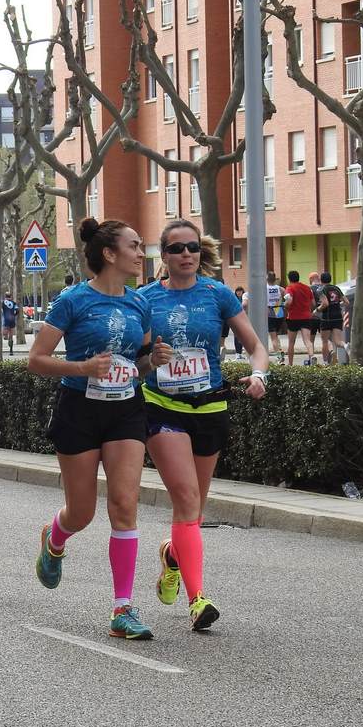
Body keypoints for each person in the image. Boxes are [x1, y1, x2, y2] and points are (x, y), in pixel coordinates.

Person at [28, 217, 172, 640]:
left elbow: (141, 363)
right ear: (109, 254)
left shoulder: (139, 303)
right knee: (82, 511)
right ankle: (55, 538)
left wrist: (153, 361)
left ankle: (122, 608)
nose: (140, 253)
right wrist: (83, 367)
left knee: (125, 503)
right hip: (79, 409)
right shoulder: (72, 301)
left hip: (126, 409)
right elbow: (36, 360)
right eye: (133, 245)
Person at [139, 220, 269, 631]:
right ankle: (198, 601)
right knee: (186, 497)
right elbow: (134, 359)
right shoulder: (143, 300)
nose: (186, 255)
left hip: (210, 407)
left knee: (191, 510)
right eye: (177, 249)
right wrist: (150, 362)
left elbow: (255, 347)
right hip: (162, 407)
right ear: (164, 256)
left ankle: (172, 555)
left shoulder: (218, 294)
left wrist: (259, 375)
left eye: (192, 247)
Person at [283, 270, 315, 365]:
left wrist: (285, 306)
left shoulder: (289, 288)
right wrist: (309, 310)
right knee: (307, 341)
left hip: (293, 317)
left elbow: (289, 301)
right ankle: (312, 356)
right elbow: (313, 303)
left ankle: (290, 364)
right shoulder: (307, 288)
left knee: (291, 342)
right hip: (306, 317)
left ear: (289, 279)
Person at [317, 271, 348, 365]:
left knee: (325, 341)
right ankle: (346, 346)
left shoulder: (321, 290)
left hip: (327, 318)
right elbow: (346, 302)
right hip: (338, 316)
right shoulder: (336, 288)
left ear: (321, 280)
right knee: (338, 341)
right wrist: (337, 304)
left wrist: (317, 310)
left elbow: (325, 303)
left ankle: (326, 362)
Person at [265, 271, 286, 360]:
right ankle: (280, 350)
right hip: (279, 312)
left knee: (273, 337)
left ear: (266, 278)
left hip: (269, 312)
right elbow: (288, 299)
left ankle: (279, 356)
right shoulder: (281, 289)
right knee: (276, 335)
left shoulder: (264, 288)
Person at [1, 291, 20, 356]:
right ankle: (11, 350)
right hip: (12, 319)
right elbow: (17, 310)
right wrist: (14, 315)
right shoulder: (14, 303)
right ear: (11, 296)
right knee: (11, 334)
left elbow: (0, 310)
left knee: (4, 332)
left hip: (6, 319)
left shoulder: (3, 302)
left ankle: (5, 336)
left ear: (5, 296)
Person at [232, 286, 247, 359]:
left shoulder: (245, 299)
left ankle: (240, 352)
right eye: (237, 291)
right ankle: (237, 353)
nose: (239, 292)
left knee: (243, 336)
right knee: (237, 336)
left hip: (244, 319)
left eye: (240, 291)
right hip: (236, 319)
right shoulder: (234, 299)